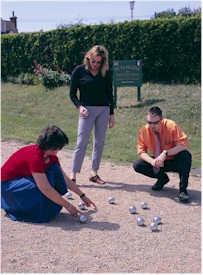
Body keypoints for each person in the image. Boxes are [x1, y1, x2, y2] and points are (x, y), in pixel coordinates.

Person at [1, 125, 97, 223]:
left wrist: (82, 195)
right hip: (8, 187)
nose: (60, 150)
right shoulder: (35, 156)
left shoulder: (51, 157)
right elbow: (45, 188)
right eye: (60, 148)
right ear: (52, 147)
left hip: (22, 179)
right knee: (43, 187)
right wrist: (69, 206)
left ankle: (46, 205)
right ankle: (25, 210)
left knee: (55, 170)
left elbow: (64, 179)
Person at [69, 45, 115, 185]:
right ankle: (73, 176)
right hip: (86, 111)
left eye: (99, 62)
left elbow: (109, 94)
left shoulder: (105, 73)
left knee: (99, 142)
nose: (95, 64)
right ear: (88, 58)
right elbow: (72, 93)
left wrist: (112, 114)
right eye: (93, 61)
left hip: (103, 110)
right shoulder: (79, 71)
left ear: (103, 61)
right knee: (81, 143)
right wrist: (80, 106)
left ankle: (94, 173)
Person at [133, 106, 192, 203]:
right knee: (138, 165)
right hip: (158, 163)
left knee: (186, 156)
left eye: (155, 123)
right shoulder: (144, 131)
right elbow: (141, 152)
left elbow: (183, 145)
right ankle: (162, 179)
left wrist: (166, 153)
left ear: (162, 120)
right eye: (149, 122)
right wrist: (152, 161)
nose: (152, 126)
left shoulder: (171, 126)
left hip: (174, 160)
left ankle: (183, 190)